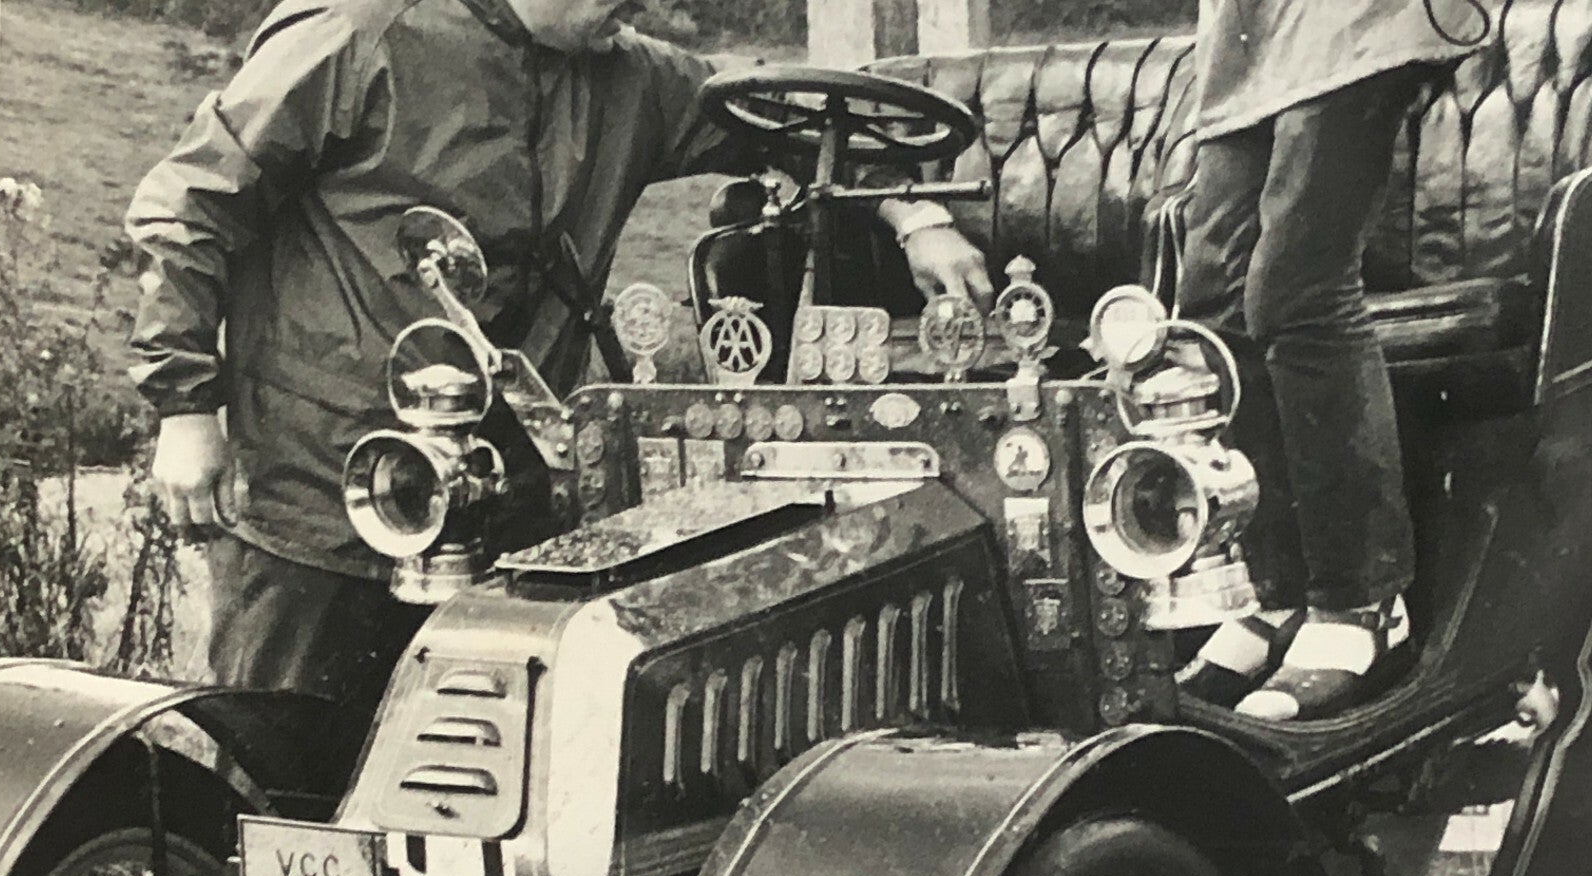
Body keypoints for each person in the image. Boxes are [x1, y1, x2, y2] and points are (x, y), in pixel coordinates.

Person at [127, 0, 991, 718]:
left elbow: (793, 118)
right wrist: (182, 406)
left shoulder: (628, 71)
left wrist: (915, 218)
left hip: (513, 521)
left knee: (481, 792)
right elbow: (190, 206)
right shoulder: (362, 31)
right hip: (322, 504)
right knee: (281, 788)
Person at [1175, 0, 1489, 721]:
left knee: (1296, 290)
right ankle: (1279, 593)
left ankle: (1364, 603)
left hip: (1352, 25)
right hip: (1246, 36)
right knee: (1211, 310)